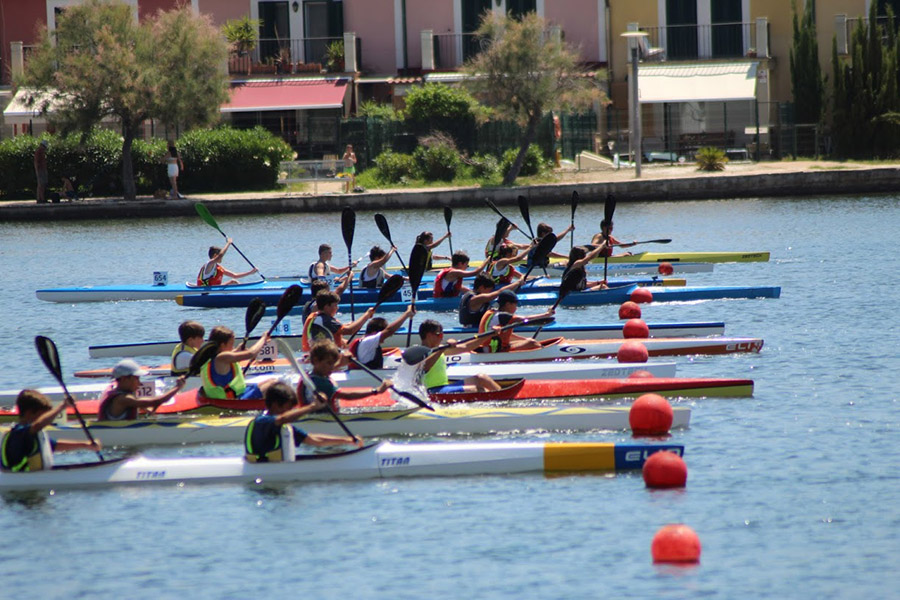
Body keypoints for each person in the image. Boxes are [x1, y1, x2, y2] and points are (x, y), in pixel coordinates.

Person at [244, 382, 363, 463]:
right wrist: (312, 407)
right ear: (275, 405)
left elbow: (314, 440)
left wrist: (346, 440)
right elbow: (282, 419)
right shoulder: (262, 421)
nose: (290, 412)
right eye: (288, 408)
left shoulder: (282, 428)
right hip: (265, 470)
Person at [1, 390, 102, 472]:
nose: (48, 421)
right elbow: (38, 425)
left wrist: (86, 445)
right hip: (19, 486)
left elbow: (55, 446)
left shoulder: (33, 436)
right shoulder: (19, 434)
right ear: (29, 413)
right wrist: (63, 406)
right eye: (42, 415)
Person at [298, 340, 391, 411]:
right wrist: (376, 391)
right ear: (315, 360)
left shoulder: (311, 375)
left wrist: (341, 363)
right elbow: (347, 395)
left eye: (333, 363)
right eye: (329, 363)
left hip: (318, 418)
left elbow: (326, 368)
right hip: (325, 422)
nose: (332, 367)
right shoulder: (321, 383)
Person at [418, 320, 500, 393]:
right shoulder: (418, 352)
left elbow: (466, 347)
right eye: (439, 335)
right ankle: (498, 399)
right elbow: (424, 367)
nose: (442, 338)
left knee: (481, 378)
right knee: (475, 389)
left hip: (444, 387)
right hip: (430, 391)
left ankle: (503, 394)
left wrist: (489, 334)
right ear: (429, 335)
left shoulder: (440, 349)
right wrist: (441, 350)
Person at [200, 326, 276, 400]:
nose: (233, 347)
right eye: (231, 344)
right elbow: (251, 353)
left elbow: (232, 355)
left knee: (271, 381)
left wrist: (238, 350)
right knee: (273, 385)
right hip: (234, 401)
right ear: (222, 345)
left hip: (238, 394)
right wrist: (263, 339)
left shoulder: (210, 356)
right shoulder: (222, 358)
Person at [98, 359, 187, 420]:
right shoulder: (122, 399)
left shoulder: (117, 390)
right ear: (124, 379)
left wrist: (144, 408)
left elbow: (140, 404)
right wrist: (177, 387)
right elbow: (157, 401)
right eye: (137, 378)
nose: (140, 383)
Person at [476, 290, 554, 353]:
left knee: (530, 341)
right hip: (492, 351)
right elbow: (524, 319)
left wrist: (524, 340)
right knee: (532, 343)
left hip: (489, 348)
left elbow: (507, 336)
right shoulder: (502, 316)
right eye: (515, 304)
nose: (516, 308)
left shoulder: (491, 312)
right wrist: (547, 314)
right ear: (507, 304)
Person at [348, 306, 415, 369]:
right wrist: (407, 314)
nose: (384, 340)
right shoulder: (368, 342)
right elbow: (389, 331)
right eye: (384, 337)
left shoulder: (366, 342)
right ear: (375, 333)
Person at [302, 291, 374, 350]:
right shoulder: (325, 320)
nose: (337, 308)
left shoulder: (318, 317)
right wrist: (367, 315)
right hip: (325, 360)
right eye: (335, 305)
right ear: (326, 306)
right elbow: (350, 331)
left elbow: (338, 339)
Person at [34, 139, 48, 204]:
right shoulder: (39, 151)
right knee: (41, 184)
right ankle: (40, 198)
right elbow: (37, 162)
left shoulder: (42, 152)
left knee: (42, 184)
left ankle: (41, 198)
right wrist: (37, 170)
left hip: (42, 170)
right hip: (40, 170)